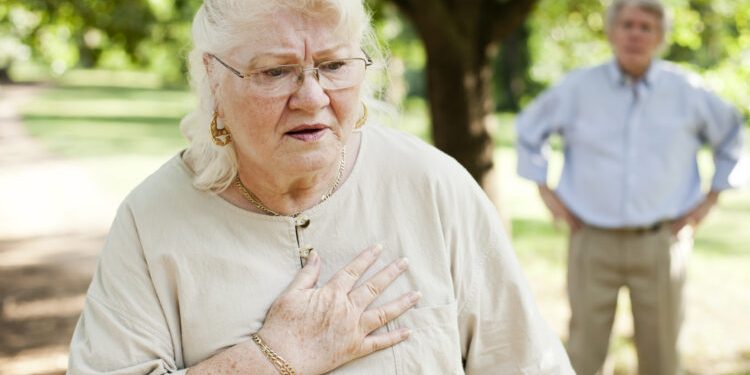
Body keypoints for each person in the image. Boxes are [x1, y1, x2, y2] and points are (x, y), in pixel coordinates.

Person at [67, 0, 573, 373]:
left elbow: (531, 363)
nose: (312, 97)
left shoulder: (432, 185)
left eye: (333, 66)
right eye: (276, 70)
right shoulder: (152, 220)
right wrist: (275, 356)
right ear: (212, 77)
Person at [515, 0, 746, 374]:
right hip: (591, 240)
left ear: (660, 36)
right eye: (627, 24)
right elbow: (527, 130)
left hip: (661, 244)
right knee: (582, 353)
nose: (635, 33)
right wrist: (546, 192)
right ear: (611, 32)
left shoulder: (686, 90)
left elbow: (733, 134)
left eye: (646, 26)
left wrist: (711, 199)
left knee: (661, 357)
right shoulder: (578, 88)